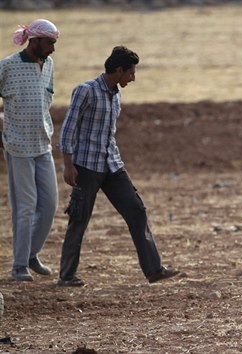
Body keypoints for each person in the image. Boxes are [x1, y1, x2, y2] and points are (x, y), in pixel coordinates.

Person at [57, 46, 179, 286]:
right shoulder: (86, 91)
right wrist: (68, 165)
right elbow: (68, 129)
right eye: (131, 73)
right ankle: (67, 275)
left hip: (112, 165)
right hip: (86, 166)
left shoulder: (116, 95)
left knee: (136, 210)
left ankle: (154, 269)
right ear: (119, 70)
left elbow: (109, 133)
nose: (133, 78)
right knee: (79, 218)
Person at [0, 19, 60, 281]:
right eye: (49, 43)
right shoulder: (8, 66)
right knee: (25, 207)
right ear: (34, 40)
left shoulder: (48, 65)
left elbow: (46, 99)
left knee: (49, 205)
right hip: (18, 146)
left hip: (42, 144)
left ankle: (31, 254)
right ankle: (19, 266)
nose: (52, 49)